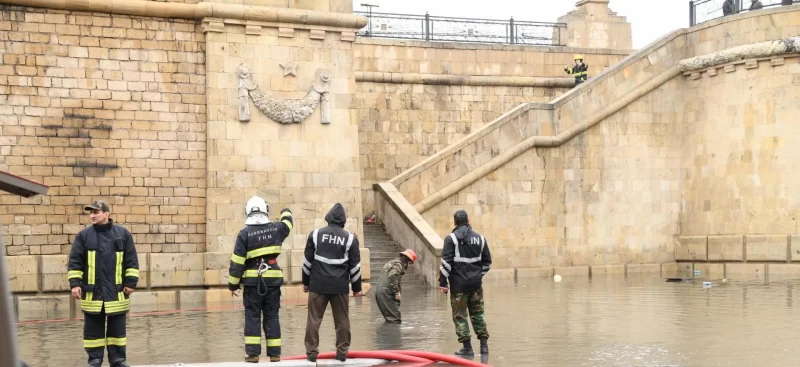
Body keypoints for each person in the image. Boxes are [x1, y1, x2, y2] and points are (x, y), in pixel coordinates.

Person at [67, 200, 138, 367]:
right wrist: (75, 284)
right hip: (93, 293)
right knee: (92, 331)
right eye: (90, 212)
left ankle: (118, 360)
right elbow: (75, 261)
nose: (92, 215)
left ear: (107, 214)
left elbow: (131, 261)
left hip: (117, 292)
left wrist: (131, 283)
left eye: (96, 212)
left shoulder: (122, 234)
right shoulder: (84, 236)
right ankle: (94, 361)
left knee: (117, 331)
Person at [228, 196, 293, 363]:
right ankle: (275, 354)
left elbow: (237, 263)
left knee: (252, 316)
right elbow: (288, 223)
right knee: (272, 316)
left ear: (248, 212)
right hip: (273, 283)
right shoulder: (277, 229)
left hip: (252, 284)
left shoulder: (244, 234)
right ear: (266, 211)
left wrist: (233, 285)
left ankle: (253, 354)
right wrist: (285, 210)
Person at [302, 203, 364, 363]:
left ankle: (311, 354)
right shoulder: (350, 239)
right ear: (343, 221)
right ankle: (342, 353)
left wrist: (306, 282)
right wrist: (357, 289)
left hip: (318, 285)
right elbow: (355, 268)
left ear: (328, 218)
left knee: (313, 320)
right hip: (339, 287)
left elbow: (307, 262)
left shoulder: (315, 235)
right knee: (342, 321)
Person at [439, 210, 492, 357]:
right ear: (468, 220)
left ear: (454, 222)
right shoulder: (481, 239)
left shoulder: (451, 239)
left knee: (460, 316)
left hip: (458, 287)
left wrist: (443, 283)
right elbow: (487, 263)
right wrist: (476, 276)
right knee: (478, 314)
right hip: (476, 286)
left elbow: (445, 265)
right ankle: (484, 348)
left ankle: (467, 348)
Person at [375, 249, 417, 324]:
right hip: (386, 293)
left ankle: (386, 334)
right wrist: (397, 292)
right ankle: (393, 335)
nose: (409, 265)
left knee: (389, 318)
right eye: (410, 263)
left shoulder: (391, 263)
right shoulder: (399, 265)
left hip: (380, 292)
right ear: (408, 261)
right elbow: (392, 276)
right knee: (395, 319)